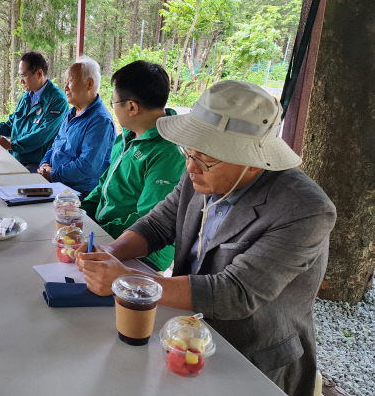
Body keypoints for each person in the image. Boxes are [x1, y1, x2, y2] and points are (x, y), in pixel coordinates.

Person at [76, 80, 336, 396]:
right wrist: (110, 251)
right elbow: (158, 225)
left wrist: (128, 280)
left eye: (204, 160)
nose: (190, 166)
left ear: (253, 161)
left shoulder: (304, 210)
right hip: (185, 333)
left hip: (251, 359)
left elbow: (235, 293)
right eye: (188, 152)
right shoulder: (202, 168)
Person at [80, 61, 185, 272]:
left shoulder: (168, 153)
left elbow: (148, 219)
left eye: (113, 103)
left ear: (131, 107)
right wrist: (81, 214)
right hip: (106, 235)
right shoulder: (126, 137)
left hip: (143, 254)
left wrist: (98, 232)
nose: (112, 109)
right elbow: (103, 185)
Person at [0, 51, 68, 172]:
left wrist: (12, 145)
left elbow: (42, 134)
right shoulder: (27, 97)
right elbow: (11, 124)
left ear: (39, 73)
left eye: (24, 76)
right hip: (15, 156)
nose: (21, 81)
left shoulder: (57, 100)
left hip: (37, 163)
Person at [37, 56, 115, 196]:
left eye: (70, 82)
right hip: (56, 183)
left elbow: (87, 167)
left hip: (78, 193)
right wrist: (44, 164)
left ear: (89, 84)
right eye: (65, 82)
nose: (65, 87)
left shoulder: (100, 121)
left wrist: (53, 174)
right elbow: (56, 145)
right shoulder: (71, 113)